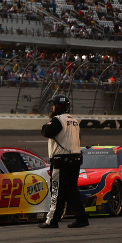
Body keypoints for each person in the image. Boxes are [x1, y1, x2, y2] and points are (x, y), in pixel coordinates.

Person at [39, 94, 88, 229]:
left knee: (56, 189)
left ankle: (51, 220)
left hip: (61, 161)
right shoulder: (75, 121)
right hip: (76, 159)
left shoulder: (58, 119)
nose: (52, 108)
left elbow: (46, 131)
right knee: (71, 190)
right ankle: (81, 217)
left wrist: (45, 125)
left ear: (59, 107)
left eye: (53, 105)